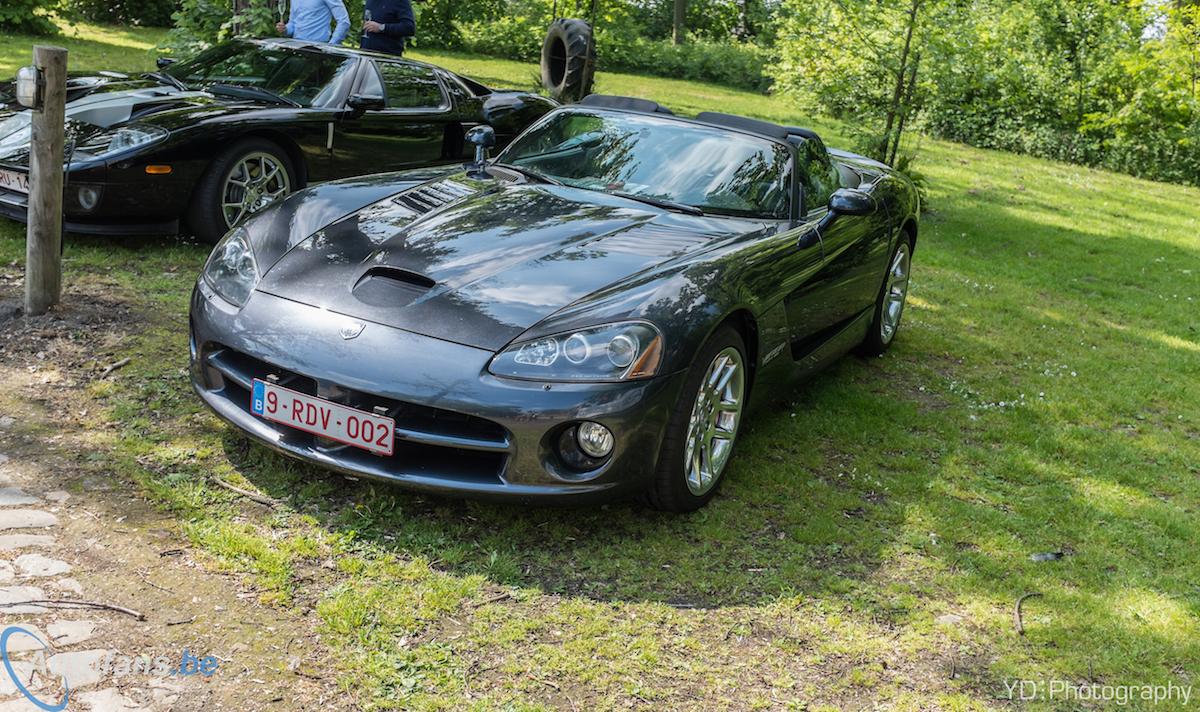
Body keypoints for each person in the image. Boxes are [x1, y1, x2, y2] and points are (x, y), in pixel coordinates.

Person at [276, 0, 351, 45]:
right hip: (297, 46)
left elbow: (344, 22)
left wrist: (331, 46)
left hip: (318, 49)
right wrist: (285, 29)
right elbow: (292, 23)